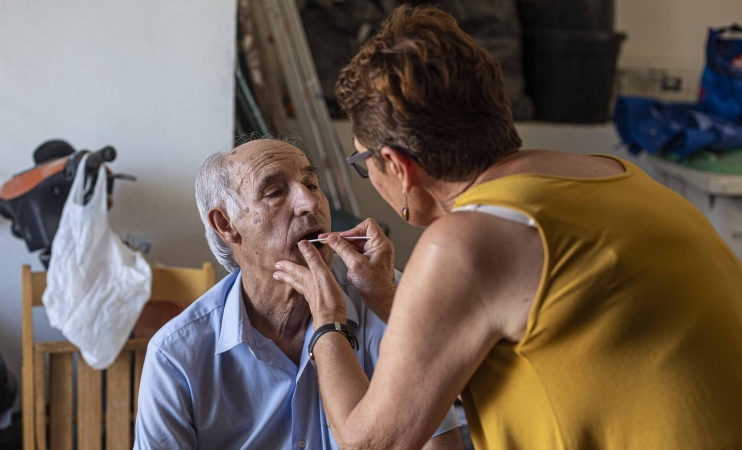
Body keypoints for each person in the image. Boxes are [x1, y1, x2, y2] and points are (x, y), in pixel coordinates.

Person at [271, 6, 742, 450]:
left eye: (362, 162)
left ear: (396, 164)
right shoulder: (614, 175)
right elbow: (508, 340)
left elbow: (370, 440)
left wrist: (327, 318)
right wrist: (386, 299)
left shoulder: (467, 241)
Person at [133, 137, 463, 450]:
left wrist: (392, 307)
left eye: (311, 185)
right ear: (226, 225)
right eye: (275, 191)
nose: (310, 203)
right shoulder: (176, 355)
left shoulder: (384, 298)